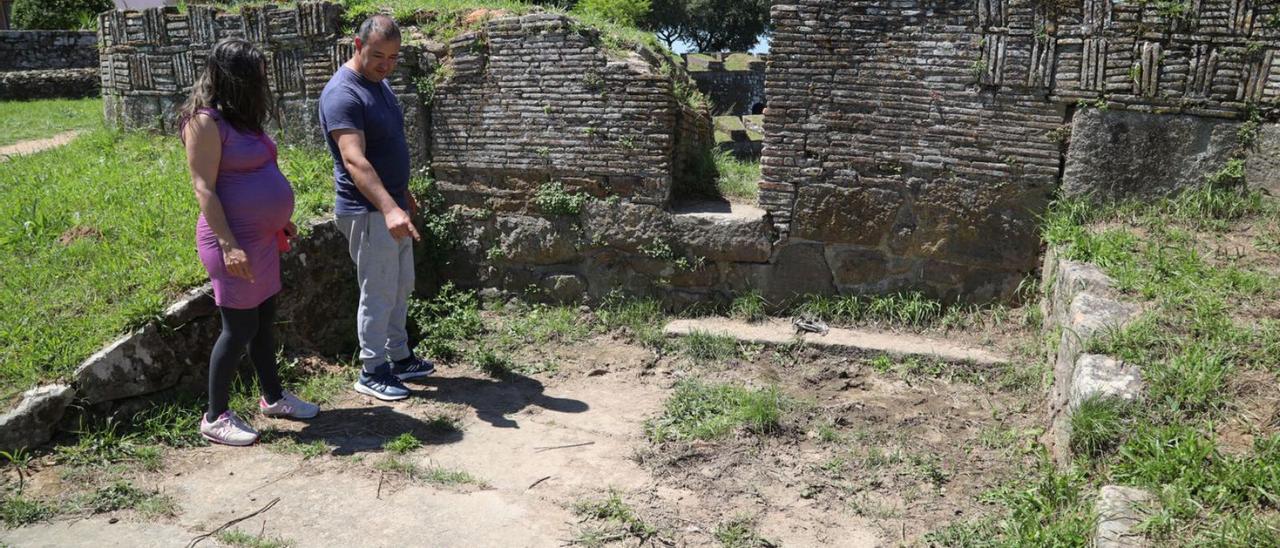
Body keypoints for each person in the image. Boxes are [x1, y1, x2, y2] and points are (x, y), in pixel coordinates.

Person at [182, 37, 319, 446]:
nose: (263, 81)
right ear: (233, 77)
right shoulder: (205, 122)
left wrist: (281, 219)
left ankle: (274, 397)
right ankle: (214, 416)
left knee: (263, 325)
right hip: (232, 243)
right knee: (237, 328)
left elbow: (259, 173)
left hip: (263, 239)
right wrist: (228, 244)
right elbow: (204, 187)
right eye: (255, 75)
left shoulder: (241, 119)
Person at [320, 15, 434, 402]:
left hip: (391, 204)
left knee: (401, 285)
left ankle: (399, 357)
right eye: (378, 55)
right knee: (379, 290)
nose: (386, 64)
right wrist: (388, 207)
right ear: (357, 45)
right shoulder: (343, 94)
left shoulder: (379, 84)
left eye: (394, 57)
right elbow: (355, 161)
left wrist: (404, 196)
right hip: (367, 211)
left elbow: (389, 147)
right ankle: (372, 369)